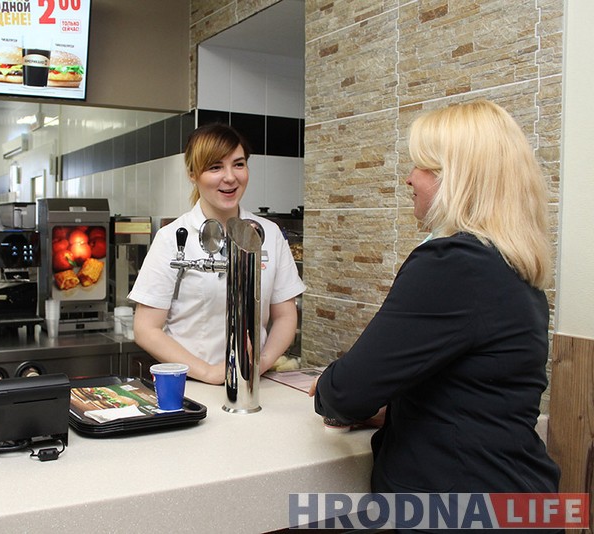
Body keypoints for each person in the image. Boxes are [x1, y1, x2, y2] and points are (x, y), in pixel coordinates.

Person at [310, 101, 560, 507]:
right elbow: (472, 392)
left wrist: (328, 386)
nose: (409, 179)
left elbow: (346, 392)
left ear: (455, 178)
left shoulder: (453, 264)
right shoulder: (510, 264)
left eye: (421, 167)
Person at [129, 123, 306, 384]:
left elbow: (285, 315)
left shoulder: (268, 233)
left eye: (238, 164)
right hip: (192, 385)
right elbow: (146, 329)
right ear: (193, 173)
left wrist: (260, 363)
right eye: (215, 167)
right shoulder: (172, 237)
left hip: (254, 384)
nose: (230, 177)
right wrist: (209, 373)